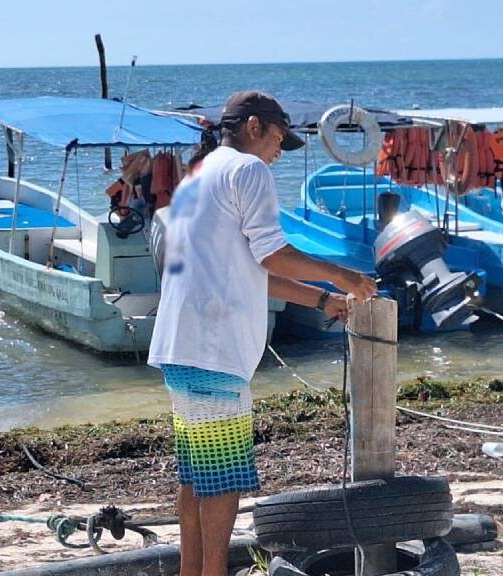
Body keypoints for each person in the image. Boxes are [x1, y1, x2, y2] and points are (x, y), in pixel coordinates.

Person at [148, 90, 378, 576]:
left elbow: (249, 269)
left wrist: (321, 300)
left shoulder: (199, 173)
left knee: (195, 476)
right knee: (222, 480)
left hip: (178, 344)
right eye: (278, 139)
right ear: (255, 127)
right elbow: (273, 254)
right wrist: (342, 275)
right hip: (214, 348)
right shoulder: (248, 170)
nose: (279, 152)